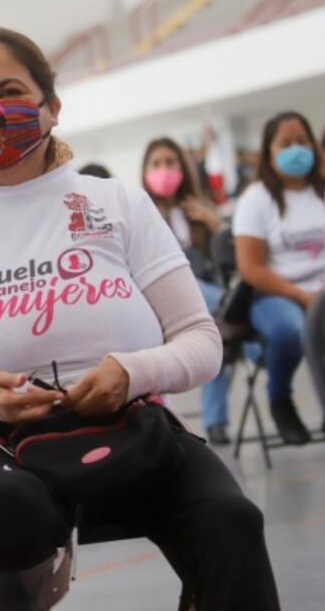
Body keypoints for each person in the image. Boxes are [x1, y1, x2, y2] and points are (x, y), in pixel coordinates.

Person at [0, 27, 279, 611]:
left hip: (129, 427)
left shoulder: (118, 206)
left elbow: (201, 342)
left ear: (51, 108)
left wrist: (131, 373)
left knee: (230, 522)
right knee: (5, 515)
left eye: (7, 91)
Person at [234, 111, 325, 443]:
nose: (296, 149)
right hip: (274, 294)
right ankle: (280, 400)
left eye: (302, 141)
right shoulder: (255, 199)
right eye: (286, 143)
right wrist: (303, 296)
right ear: (269, 153)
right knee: (291, 330)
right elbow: (251, 267)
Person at [142, 136, 232, 445]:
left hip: (203, 301)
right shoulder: (140, 213)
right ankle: (231, 310)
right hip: (157, 304)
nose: (164, 169)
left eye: (170, 162)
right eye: (156, 164)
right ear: (145, 171)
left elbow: (225, 258)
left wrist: (213, 223)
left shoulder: (198, 209)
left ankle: (217, 421)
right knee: (216, 311)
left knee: (213, 333)